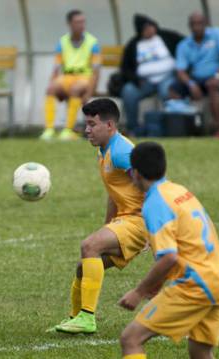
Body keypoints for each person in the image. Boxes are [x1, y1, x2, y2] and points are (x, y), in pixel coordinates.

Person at [119, 141, 219, 359]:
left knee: (131, 339)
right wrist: (158, 282)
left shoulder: (155, 203)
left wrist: (139, 292)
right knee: (200, 351)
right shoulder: (179, 191)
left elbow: (169, 256)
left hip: (195, 285)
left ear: (135, 173)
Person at [48, 98, 148, 333]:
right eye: (86, 124)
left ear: (110, 125)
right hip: (126, 220)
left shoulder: (122, 152)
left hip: (140, 221)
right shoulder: (105, 151)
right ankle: (74, 318)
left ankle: (87, 318)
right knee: (84, 266)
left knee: (88, 246)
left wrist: (155, 228)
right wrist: (108, 227)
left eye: (92, 124)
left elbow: (152, 185)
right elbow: (114, 193)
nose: (87, 130)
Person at [170, 12, 219, 137]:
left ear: (206, 24)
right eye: (193, 24)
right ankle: (185, 130)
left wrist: (218, 75)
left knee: (213, 86)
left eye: (200, 23)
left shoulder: (218, 34)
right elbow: (180, 71)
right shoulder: (184, 44)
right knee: (174, 89)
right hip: (198, 80)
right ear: (189, 26)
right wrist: (191, 84)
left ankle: (217, 129)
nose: (197, 27)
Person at [40, 9, 101, 141]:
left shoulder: (92, 42)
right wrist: (53, 84)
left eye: (83, 22)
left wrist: (90, 92)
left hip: (85, 77)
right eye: (78, 22)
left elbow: (96, 71)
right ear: (69, 24)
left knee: (75, 89)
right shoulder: (62, 42)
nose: (81, 25)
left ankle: (68, 130)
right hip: (67, 76)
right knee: (50, 89)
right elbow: (56, 68)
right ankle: (49, 130)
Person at [120, 14, 184, 136]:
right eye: (145, 28)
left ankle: (170, 128)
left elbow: (186, 45)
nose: (150, 30)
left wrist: (180, 70)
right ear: (140, 31)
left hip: (167, 77)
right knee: (128, 91)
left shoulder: (167, 36)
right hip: (144, 81)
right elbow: (125, 68)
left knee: (168, 91)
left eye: (151, 26)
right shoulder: (133, 44)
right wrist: (135, 80)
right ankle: (133, 128)